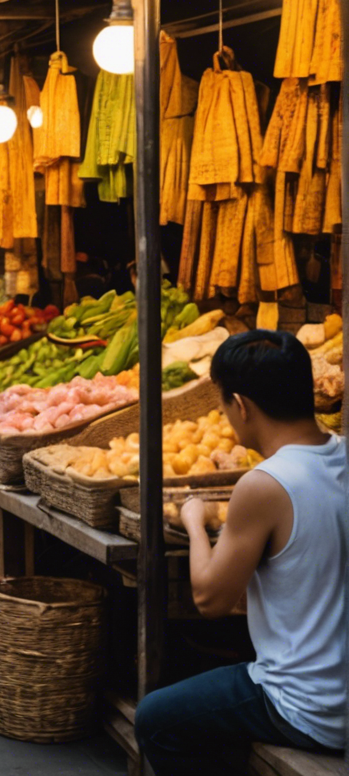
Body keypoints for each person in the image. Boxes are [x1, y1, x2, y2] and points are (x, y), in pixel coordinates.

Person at [134, 331, 345, 774]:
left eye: (225, 406)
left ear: (242, 406)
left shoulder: (266, 483)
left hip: (311, 709)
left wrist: (194, 520)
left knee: (155, 718)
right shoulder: (341, 456)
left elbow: (210, 600)